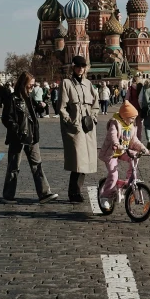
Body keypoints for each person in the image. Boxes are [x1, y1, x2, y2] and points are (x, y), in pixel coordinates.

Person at [1, 71, 59, 205]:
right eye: (29, 86)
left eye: (33, 86)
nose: (31, 88)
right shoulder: (12, 98)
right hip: (18, 137)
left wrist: (39, 107)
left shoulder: (29, 98)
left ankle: (44, 193)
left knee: (37, 165)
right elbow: (6, 118)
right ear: (22, 84)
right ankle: (8, 195)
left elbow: (31, 115)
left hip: (32, 136)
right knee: (13, 166)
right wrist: (17, 130)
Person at [59, 56, 99, 203]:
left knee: (86, 161)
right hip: (75, 128)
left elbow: (95, 104)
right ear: (73, 67)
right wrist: (70, 122)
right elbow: (62, 107)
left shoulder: (88, 84)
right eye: (78, 66)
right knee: (77, 159)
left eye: (83, 66)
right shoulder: (66, 83)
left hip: (87, 127)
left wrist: (93, 117)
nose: (80, 69)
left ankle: (76, 191)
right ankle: (74, 192)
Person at [98, 100, 148, 209]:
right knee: (113, 175)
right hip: (111, 153)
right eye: (132, 118)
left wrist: (142, 148)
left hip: (123, 151)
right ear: (125, 116)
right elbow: (112, 135)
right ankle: (105, 197)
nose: (133, 120)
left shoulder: (131, 126)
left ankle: (129, 179)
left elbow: (134, 140)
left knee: (135, 157)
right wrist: (116, 143)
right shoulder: (115, 123)